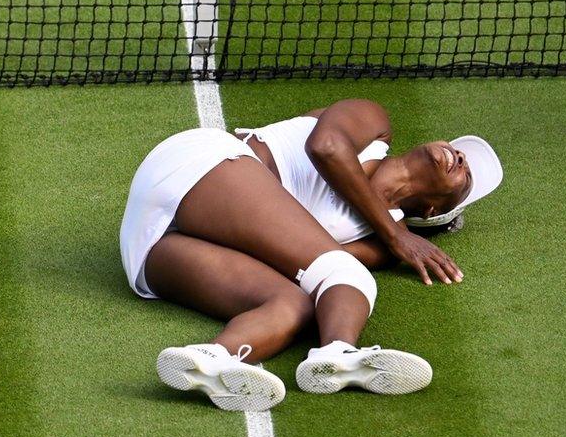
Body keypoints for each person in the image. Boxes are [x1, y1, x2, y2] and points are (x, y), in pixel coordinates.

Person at [119, 99, 503, 411]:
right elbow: (326, 147)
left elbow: (299, 272)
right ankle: (338, 351)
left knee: (293, 304)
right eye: (460, 150)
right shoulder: (373, 122)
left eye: (465, 176)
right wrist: (396, 236)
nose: (461, 157)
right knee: (343, 271)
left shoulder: (381, 243)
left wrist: (391, 239)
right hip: (197, 164)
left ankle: (213, 359)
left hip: (150, 245)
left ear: (434, 211)